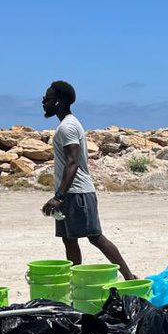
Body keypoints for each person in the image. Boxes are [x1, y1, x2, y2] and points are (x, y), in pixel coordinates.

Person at [40, 81, 134, 278]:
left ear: (59, 102)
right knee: (68, 239)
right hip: (69, 193)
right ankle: (75, 282)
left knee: (95, 237)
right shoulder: (65, 126)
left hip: (78, 192)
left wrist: (58, 196)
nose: (43, 101)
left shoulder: (68, 127)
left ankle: (129, 277)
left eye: (47, 98)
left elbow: (72, 162)